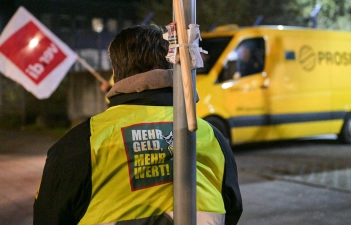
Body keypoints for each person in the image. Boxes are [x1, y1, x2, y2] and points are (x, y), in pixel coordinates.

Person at [34, 24, 242, 225]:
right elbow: (232, 209)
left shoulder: (79, 145)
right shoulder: (211, 137)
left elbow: (48, 217)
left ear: (116, 72)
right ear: (170, 63)